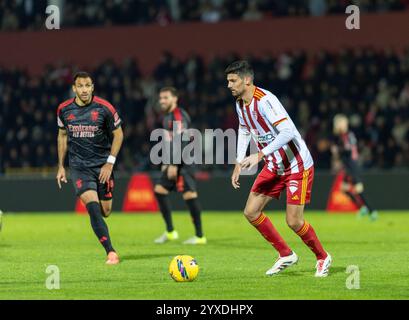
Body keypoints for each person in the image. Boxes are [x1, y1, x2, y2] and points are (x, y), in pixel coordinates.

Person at [226, 60, 331, 277]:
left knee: (293, 221)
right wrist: (238, 162)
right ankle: (285, 253)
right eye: (228, 81)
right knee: (251, 212)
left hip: (296, 165)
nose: (229, 85)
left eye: (233, 80)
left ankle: (322, 257)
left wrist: (260, 154)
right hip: (274, 165)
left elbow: (288, 133)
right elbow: (244, 129)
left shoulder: (265, 101)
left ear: (247, 80)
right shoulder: (240, 104)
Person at [56, 72, 123, 264]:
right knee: (93, 208)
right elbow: (61, 136)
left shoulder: (105, 108)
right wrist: (61, 166)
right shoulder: (64, 109)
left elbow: (119, 135)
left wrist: (110, 163)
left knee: (105, 211)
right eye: (80, 86)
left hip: (103, 166)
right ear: (74, 88)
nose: (84, 90)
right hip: (79, 167)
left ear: (92, 87)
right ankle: (110, 251)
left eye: (87, 86)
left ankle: (107, 242)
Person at [153, 87, 206, 245]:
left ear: (175, 98)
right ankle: (170, 232)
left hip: (184, 162)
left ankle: (199, 236)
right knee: (160, 191)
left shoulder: (177, 115)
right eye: (161, 98)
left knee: (189, 195)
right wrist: (166, 162)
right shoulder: (167, 117)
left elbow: (182, 140)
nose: (162, 101)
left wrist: (174, 164)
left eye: (166, 97)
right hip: (174, 162)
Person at [331, 114, 378, 220]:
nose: (339, 125)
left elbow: (348, 150)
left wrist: (337, 150)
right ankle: (363, 208)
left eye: (340, 123)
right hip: (347, 166)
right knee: (344, 188)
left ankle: (372, 211)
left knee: (358, 189)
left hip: (352, 165)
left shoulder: (348, 135)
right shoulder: (340, 137)